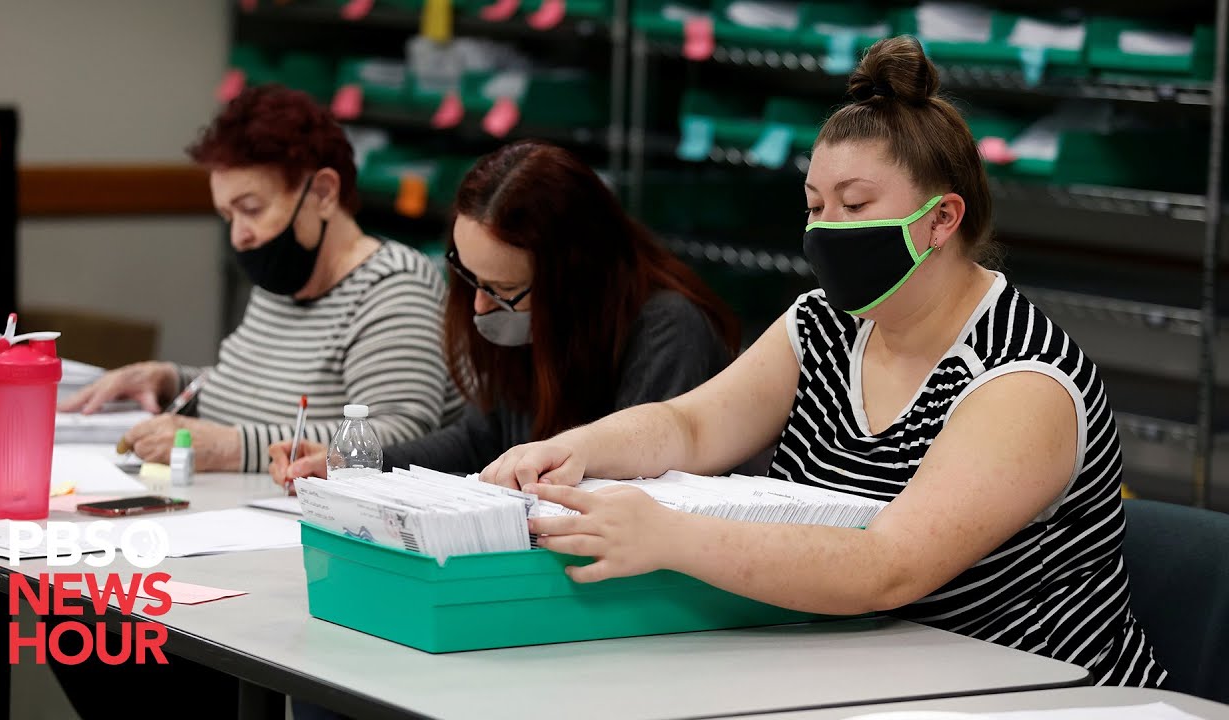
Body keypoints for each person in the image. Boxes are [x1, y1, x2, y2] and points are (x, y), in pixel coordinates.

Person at [479, 37, 1167, 687]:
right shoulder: (825, 324)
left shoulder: (1019, 380)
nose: (825, 229)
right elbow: (692, 427)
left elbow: (888, 567)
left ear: (942, 219)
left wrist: (673, 537)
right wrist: (571, 451)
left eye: (856, 205)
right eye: (815, 205)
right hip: (863, 670)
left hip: (1035, 691)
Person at [268, 140, 741, 486]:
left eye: (505, 290)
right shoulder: (528, 330)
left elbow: (633, 487)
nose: (478, 306)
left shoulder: (669, 330)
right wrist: (363, 464)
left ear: (573, 280)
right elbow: (477, 440)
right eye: (470, 279)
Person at [59, 85, 461, 473]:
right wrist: (170, 380)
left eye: (251, 209)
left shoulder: (395, 289)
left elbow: (398, 434)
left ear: (322, 193)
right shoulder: (286, 283)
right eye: (229, 217)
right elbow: (257, 394)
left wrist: (227, 447)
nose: (239, 236)